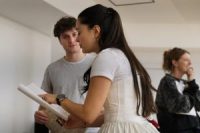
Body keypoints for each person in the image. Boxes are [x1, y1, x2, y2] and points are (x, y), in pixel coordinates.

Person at [41, 4, 159, 133]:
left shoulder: (106, 56)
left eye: (79, 32)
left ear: (96, 31)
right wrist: (80, 123)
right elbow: (114, 115)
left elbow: (88, 113)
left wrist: (59, 98)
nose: (77, 40)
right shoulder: (121, 55)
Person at [34, 16, 98, 133]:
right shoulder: (52, 69)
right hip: (61, 129)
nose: (72, 40)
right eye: (65, 36)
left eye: (74, 34)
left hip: (91, 129)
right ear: (59, 40)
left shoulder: (97, 63)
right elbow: (45, 102)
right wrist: (40, 115)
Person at [156, 47, 200, 133]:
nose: (190, 63)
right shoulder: (166, 81)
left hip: (194, 127)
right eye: (186, 60)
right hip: (177, 129)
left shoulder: (186, 83)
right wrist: (190, 87)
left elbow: (198, 105)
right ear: (175, 62)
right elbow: (181, 106)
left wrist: (191, 82)